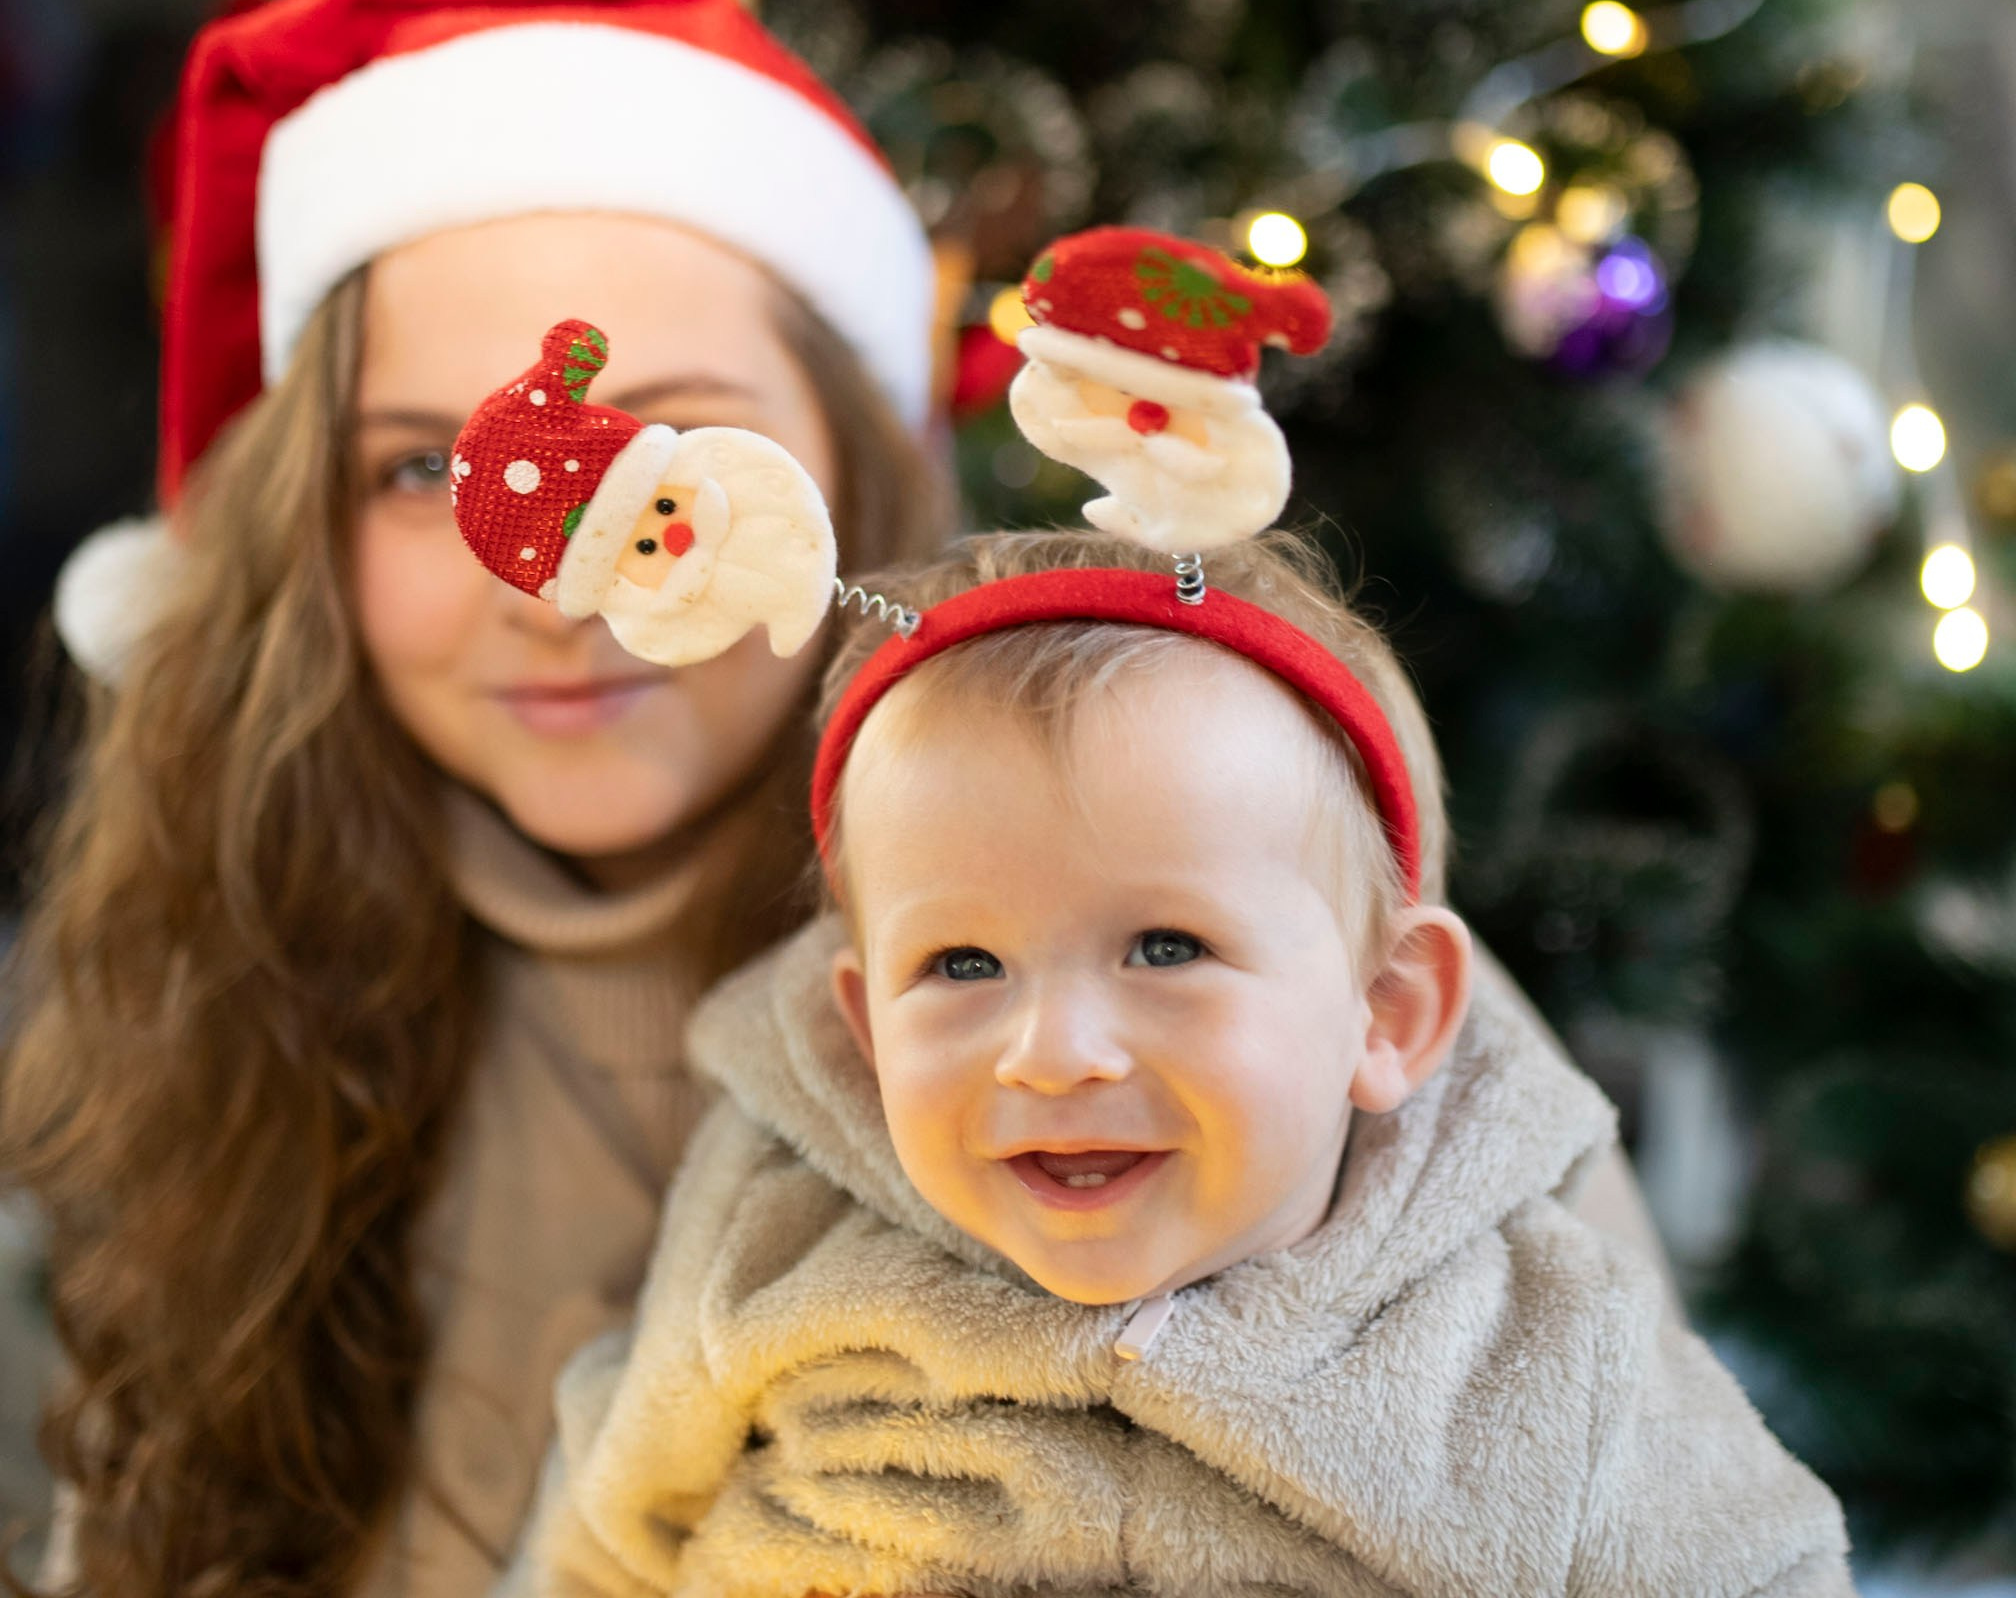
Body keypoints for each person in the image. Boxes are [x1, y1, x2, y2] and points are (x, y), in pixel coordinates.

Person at [1, 0, 945, 1598]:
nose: (549, 583)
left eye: (659, 461)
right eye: (432, 467)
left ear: (845, 481)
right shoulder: (207, 987)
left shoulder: (1186, 981)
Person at [510, 522, 1853, 1598]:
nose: (1055, 1054)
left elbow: (1764, 1567)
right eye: (962, 968)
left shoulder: (1534, 1346)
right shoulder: (780, 1227)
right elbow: (608, 1538)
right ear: (865, 1030)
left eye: (1164, 949)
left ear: (1386, 1013)